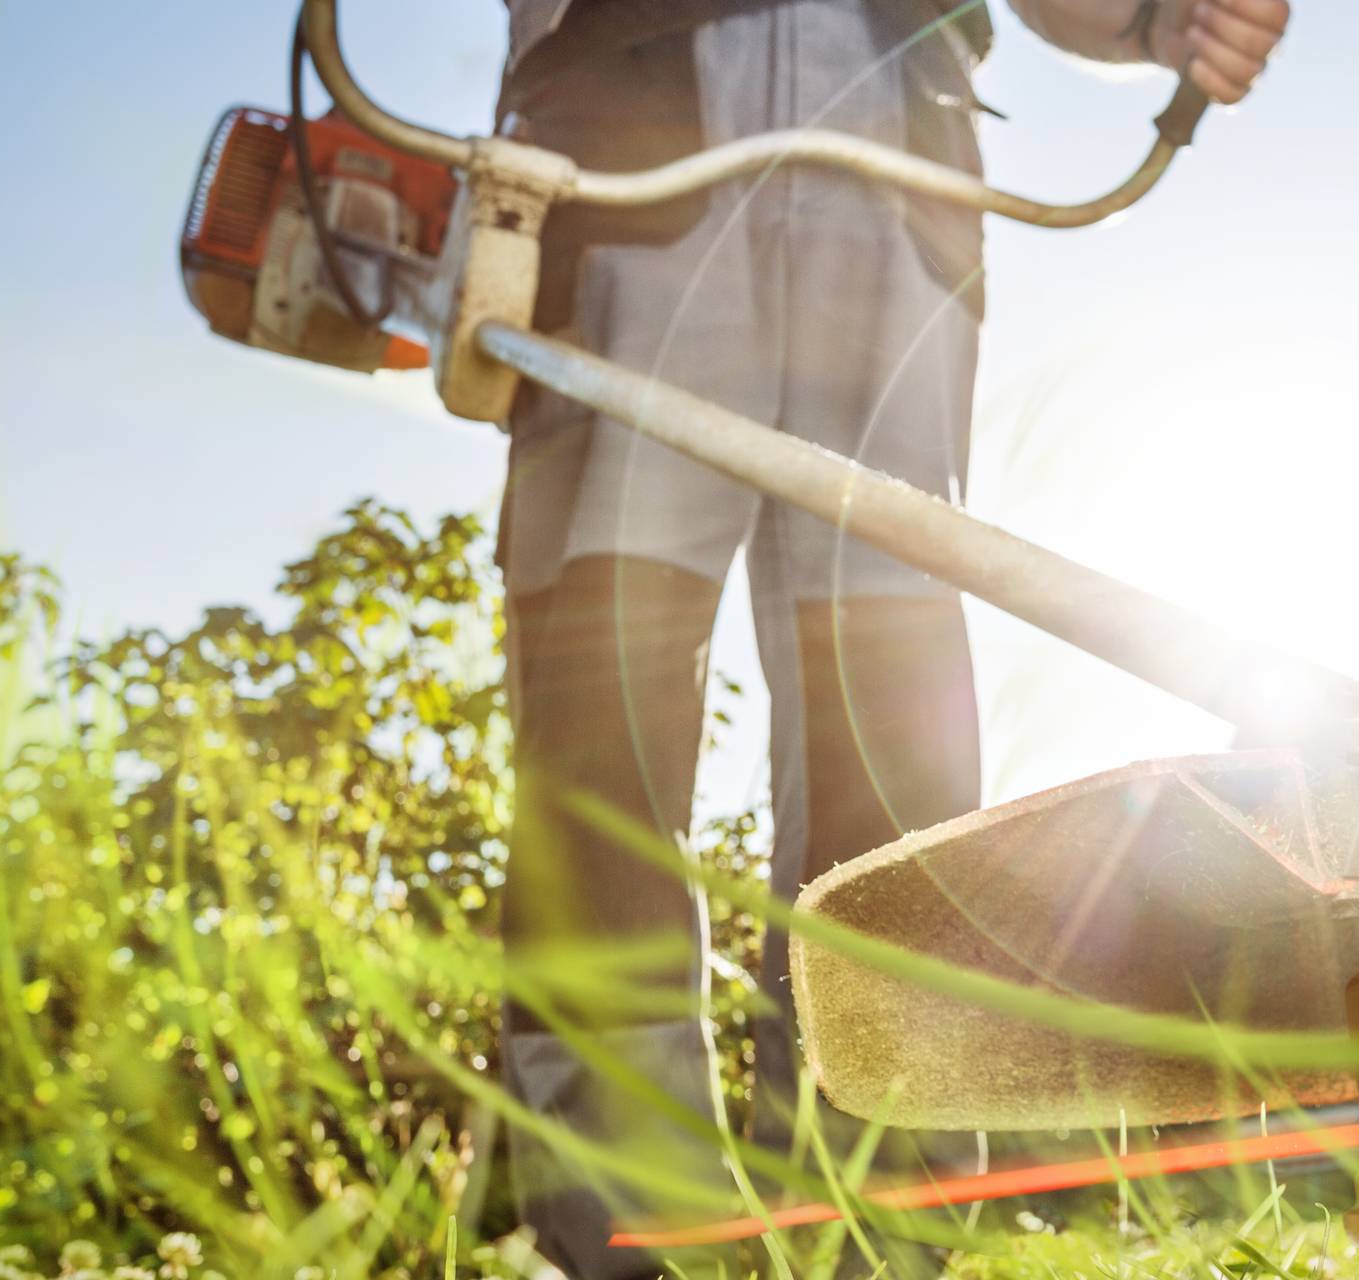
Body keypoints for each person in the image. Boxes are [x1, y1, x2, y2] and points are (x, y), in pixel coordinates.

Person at [486, 1, 1289, 1274]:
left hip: (897, 161)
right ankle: (632, 1240)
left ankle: (874, 1235)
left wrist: (1151, 19)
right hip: (627, 154)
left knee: (890, 734)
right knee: (603, 722)